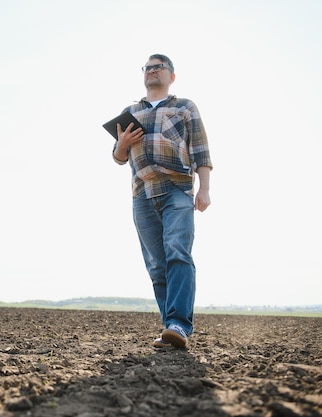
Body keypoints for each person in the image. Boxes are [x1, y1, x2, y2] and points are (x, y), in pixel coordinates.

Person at [112, 54, 213, 348]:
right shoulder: (130, 111)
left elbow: (201, 151)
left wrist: (204, 189)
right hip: (141, 195)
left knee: (177, 253)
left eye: (158, 67)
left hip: (177, 189)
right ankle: (169, 326)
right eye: (148, 67)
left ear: (171, 76)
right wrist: (122, 145)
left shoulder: (184, 107)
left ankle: (179, 326)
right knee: (157, 265)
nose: (152, 71)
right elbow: (118, 157)